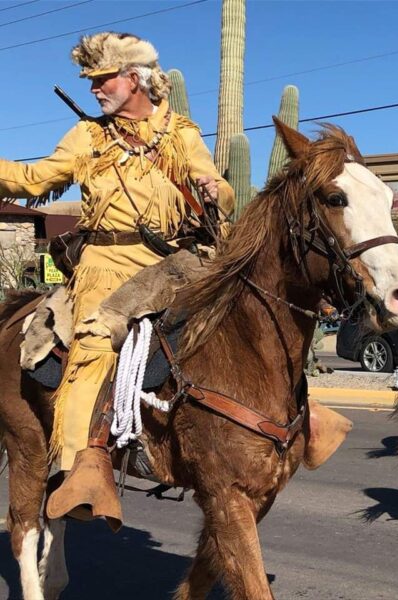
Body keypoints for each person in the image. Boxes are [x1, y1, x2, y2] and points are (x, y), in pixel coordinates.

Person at [0, 32, 234, 523]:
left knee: (246, 317)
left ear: (134, 79)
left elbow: (220, 189)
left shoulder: (180, 134)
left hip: (175, 262)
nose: (94, 90)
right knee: (91, 345)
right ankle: (81, 471)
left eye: (101, 80)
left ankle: (293, 421)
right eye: (91, 82)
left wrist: (218, 191)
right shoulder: (88, 137)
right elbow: (35, 180)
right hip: (106, 266)